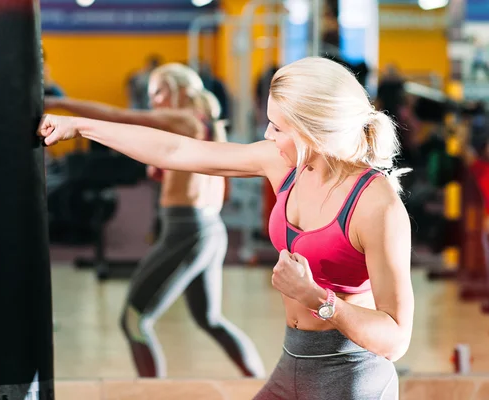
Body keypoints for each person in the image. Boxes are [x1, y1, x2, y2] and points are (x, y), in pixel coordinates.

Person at [39, 56, 414, 397]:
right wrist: (80, 127)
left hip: (350, 378)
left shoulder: (376, 206)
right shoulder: (284, 163)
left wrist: (317, 298)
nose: (267, 135)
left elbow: (396, 339)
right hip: (292, 364)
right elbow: (177, 151)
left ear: (314, 130)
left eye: (278, 127)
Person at [44, 63, 265, 379]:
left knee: (134, 320)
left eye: (160, 92)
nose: (155, 102)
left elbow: (118, 116)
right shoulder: (207, 124)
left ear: (181, 90)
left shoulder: (183, 119)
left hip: (186, 230)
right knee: (209, 320)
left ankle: (152, 392)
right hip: (211, 230)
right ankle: (259, 382)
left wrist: (57, 105)